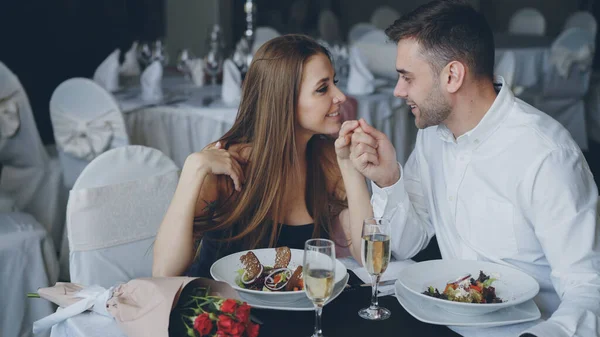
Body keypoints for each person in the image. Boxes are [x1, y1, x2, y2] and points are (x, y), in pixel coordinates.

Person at [341, 1, 600, 336]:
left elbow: (588, 289)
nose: (398, 91)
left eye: (407, 77)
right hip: (441, 321)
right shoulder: (433, 136)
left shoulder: (547, 155)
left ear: (452, 75)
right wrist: (390, 179)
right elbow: (405, 245)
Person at [152, 34, 371, 279]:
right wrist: (193, 168)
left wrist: (350, 167)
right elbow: (164, 271)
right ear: (283, 99)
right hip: (224, 312)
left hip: (297, 310)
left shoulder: (328, 159)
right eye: (323, 88)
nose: (340, 96)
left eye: (334, 82)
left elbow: (367, 256)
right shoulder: (226, 166)